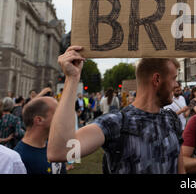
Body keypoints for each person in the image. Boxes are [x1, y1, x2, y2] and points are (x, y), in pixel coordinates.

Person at [48, 46, 184, 174]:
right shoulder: (116, 123)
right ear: (157, 79)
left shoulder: (171, 119)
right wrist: (72, 78)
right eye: (174, 79)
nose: (177, 85)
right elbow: (60, 151)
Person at [14, 96, 66, 174]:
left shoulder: (55, 150)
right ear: (39, 120)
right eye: (57, 113)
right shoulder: (19, 160)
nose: (62, 117)